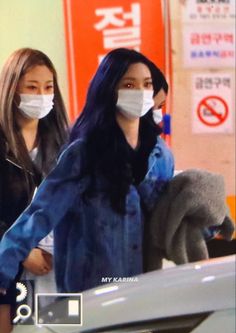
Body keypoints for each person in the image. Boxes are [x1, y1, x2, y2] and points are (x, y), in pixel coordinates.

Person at [0, 48, 174, 297]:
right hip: (89, 289)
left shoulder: (160, 154)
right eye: (129, 84)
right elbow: (41, 212)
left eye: (147, 85)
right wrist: (6, 265)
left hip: (142, 286)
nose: (140, 93)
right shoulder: (84, 154)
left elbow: (170, 213)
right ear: (109, 89)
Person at [0, 48, 68, 333]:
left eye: (48, 87)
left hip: (58, 272)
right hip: (9, 270)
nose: (42, 95)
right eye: (32, 87)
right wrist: (23, 250)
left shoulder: (66, 144)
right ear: (12, 88)